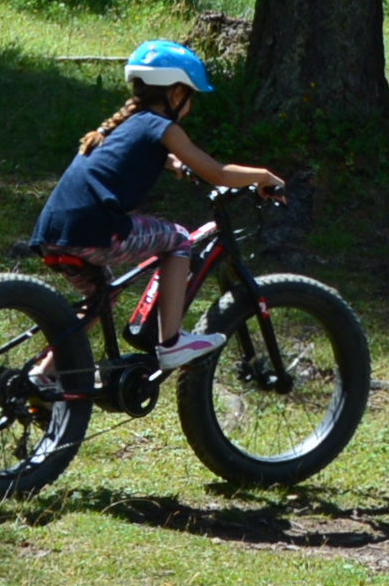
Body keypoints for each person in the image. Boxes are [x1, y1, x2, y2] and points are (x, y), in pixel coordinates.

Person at [30, 41, 285, 365]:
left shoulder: (125, 122)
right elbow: (217, 173)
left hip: (54, 230)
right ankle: (172, 342)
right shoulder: (163, 125)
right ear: (176, 94)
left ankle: (43, 372)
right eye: (190, 96)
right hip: (95, 229)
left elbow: (123, 155)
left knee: (101, 298)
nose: (189, 105)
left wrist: (168, 162)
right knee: (178, 238)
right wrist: (263, 176)